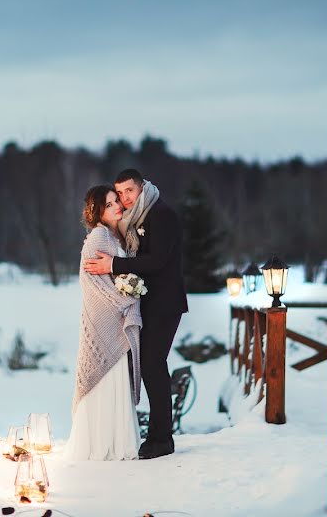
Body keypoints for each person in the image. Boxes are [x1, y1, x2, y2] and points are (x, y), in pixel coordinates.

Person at [84, 169, 188, 459]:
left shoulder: (160, 214)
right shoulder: (137, 218)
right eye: (120, 194)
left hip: (166, 303)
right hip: (150, 304)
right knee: (150, 365)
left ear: (142, 188)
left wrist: (114, 265)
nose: (125, 198)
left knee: (153, 364)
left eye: (129, 191)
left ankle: (161, 439)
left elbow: (157, 260)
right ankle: (156, 435)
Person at [64, 184, 143, 461]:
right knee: (105, 378)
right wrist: (129, 301)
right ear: (97, 211)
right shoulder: (99, 236)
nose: (117, 207)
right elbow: (94, 284)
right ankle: (100, 445)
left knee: (116, 380)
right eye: (109, 205)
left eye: (116, 202)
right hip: (106, 319)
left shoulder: (114, 236)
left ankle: (116, 442)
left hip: (115, 318)